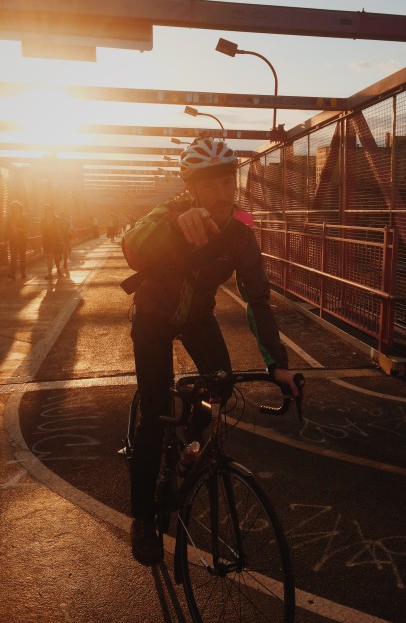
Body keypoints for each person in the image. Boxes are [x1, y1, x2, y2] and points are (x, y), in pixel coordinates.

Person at [121, 137, 298, 566]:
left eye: (228, 180)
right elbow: (132, 245)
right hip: (154, 318)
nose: (223, 191)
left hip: (198, 318)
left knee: (219, 390)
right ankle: (143, 520)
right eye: (212, 183)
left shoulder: (240, 233)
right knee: (153, 414)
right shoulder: (170, 214)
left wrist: (278, 365)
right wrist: (174, 226)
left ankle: (188, 451)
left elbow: (258, 300)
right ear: (193, 187)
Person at [5, 200, 30, 280]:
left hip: (22, 240)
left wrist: (20, 229)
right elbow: (6, 229)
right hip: (13, 240)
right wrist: (6, 239)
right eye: (13, 207)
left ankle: (23, 273)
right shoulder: (10, 219)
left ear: (20, 208)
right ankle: (13, 274)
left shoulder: (24, 218)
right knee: (13, 258)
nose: (15, 209)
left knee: (22, 257)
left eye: (16, 207)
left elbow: (28, 229)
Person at [41, 203, 65, 279]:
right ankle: (49, 273)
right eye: (46, 211)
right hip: (47, 241)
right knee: (49, 257)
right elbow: (42, 232)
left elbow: (60, 231)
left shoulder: (57, 220)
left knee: (56, 257)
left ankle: (58, 268)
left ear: (51, 211)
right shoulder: (43, 221)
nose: (47, 212)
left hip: (56, 241)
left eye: (49, 210)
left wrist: (62, 241)